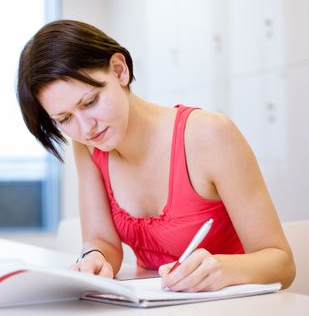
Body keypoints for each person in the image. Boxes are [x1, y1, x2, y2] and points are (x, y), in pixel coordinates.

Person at [17, 19, 295, 292]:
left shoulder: (209, 135)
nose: (85, 128)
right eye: (65, 119)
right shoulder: (88, 147)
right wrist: (94, 258)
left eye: (90, 102)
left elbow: (282, 264)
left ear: (119, 70)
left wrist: (222, 269)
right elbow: (102, 241)